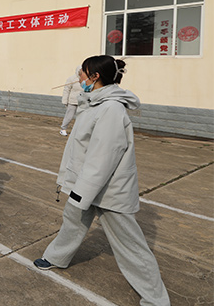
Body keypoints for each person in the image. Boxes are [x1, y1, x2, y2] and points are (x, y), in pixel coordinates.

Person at [33, 55, 169, 305]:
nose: (79, 78)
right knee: (72, 222)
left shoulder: (111, 109)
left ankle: (156, 299)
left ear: (95, 77)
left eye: (82, 73)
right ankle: (56, 258)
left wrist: (81, 192)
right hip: (85, 184)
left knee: (130, 245)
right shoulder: (95, 103)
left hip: (108, 190)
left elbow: (102, 158)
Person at [59, 67, 81, 136]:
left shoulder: (86, 79)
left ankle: (77, 131)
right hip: (72, 101)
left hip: (82, 102)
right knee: (69, 116)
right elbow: (66, 90)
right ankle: (63, 129)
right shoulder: (72, 79)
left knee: (80, 117)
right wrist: (65, 100)